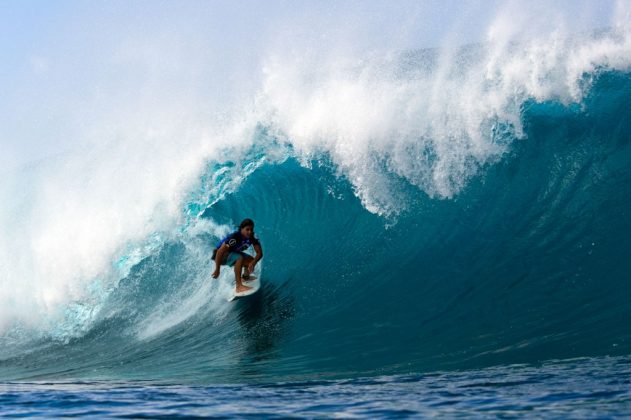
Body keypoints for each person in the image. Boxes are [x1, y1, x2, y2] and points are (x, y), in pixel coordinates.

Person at [211, 218, 263, 293]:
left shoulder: (252, 237)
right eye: (247, 229)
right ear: (242, 229)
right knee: (239, 258)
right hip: (219, 255)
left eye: (251, 229)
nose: (249, 232)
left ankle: (245, 277)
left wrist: (253, 263)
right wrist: (217, 270)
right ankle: (239, 286)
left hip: (231, 252)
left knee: (251, 260)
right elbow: (220, 252)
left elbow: (259, 253)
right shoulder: (235, 237)